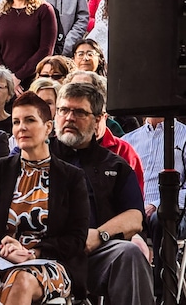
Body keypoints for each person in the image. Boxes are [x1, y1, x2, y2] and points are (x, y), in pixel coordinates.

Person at [0, 91, 90, 304]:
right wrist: (4, 249)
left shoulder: (71, 177)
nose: (21, 127)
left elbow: (76, 238)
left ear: (48, 128)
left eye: (30, 120)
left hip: (47, 261)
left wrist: (33, 252)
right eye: (16, 122)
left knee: (21, 280)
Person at [51, 78, 153, 304]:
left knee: (129, 254)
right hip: (43, 249)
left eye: (79, 112)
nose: (69, 117)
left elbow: (135, 217)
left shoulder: (115, 165)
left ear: (97, 120)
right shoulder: (37, 155)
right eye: (63, 110)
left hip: (93, 254)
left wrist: (99, 235)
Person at [123, 115, 186, 292]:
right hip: (134, 211)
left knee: (161, 218)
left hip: (173, 212)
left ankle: (160, 293)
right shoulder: (129, 140)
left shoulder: (184, 136)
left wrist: (156, 204)